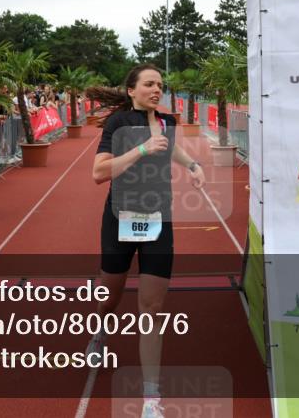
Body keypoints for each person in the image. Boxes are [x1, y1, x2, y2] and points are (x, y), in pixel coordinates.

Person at [87, 64, 206, 418]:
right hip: (120, 218)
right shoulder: (118, 125)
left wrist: (193, 165)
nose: (157, 89)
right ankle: (98, 333)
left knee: (152, 310)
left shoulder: (168, 122)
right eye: (149, 84)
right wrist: (140, 150)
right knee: (110, 294)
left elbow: (169, 149)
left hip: (158, 219)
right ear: (131, 90)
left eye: (160, 84)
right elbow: (98, 173)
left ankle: (151, 398)